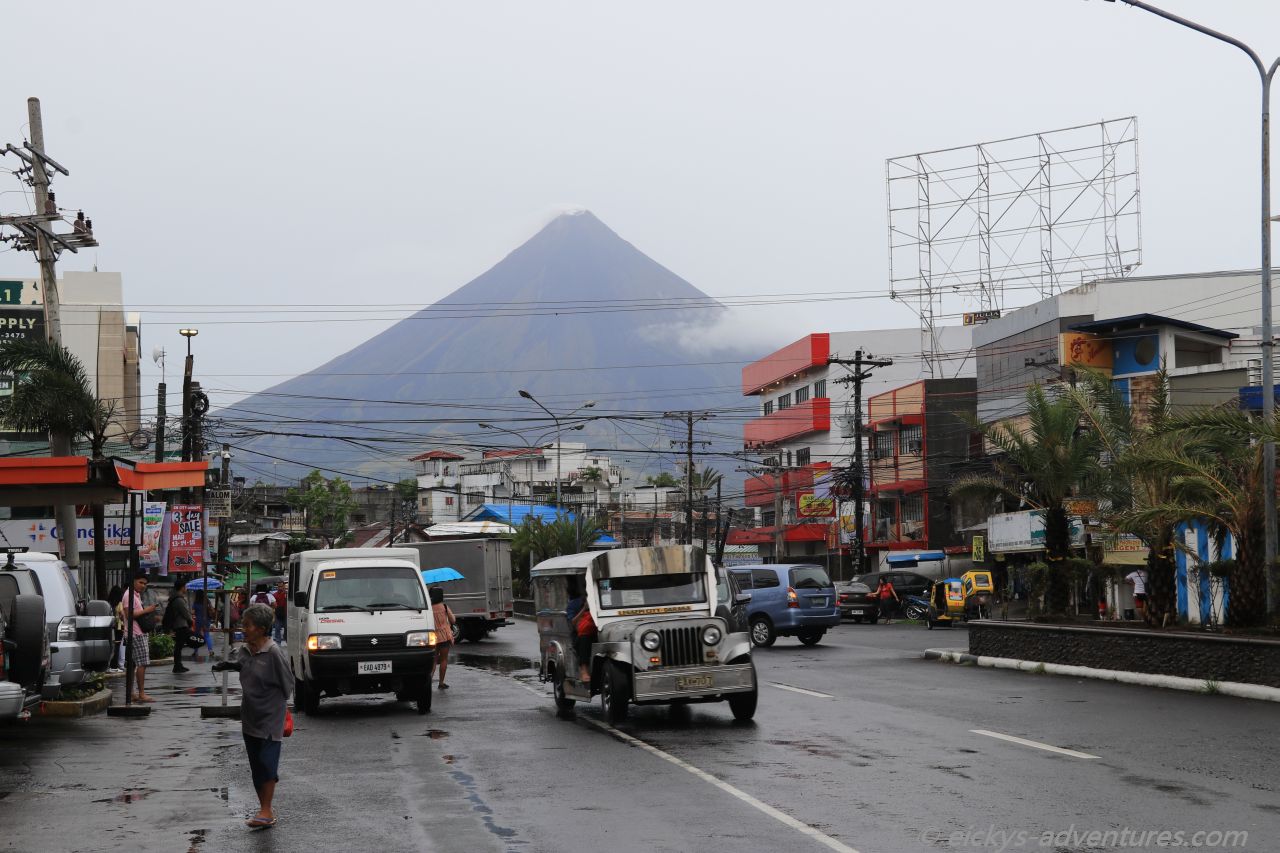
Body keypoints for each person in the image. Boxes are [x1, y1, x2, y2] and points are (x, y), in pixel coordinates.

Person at [213, 603, 294, 830]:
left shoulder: (274, 652)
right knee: (257, 765)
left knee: (268, 764)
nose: (243, 628)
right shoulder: (245, 649)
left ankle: (266, 811)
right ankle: (264, 808)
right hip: (250, 716)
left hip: (270, 717)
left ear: (260, 628)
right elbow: (244, 665)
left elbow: (287, 685)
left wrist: (272, 701)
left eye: (247, 625)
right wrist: (230, 665)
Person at [122, 572, 158, 702]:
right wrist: (147, 610)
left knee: (132, 665)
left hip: (137, 633)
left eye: (145, 584)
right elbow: (129, 615)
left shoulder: (135, 595)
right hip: (136, 634)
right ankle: (141, 693)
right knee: (142, 663)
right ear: (134, 581)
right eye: (141, 582)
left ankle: (132, 693)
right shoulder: (129, 595)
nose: (143, 586)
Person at [565, 581, 595, 683]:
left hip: (597, 631)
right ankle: (584, 670)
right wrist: (584, 609)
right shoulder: (575, 603)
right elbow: (572, 623)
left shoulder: (600, 600)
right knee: (584, 639)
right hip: (581, 634)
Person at [428, 587, 455, 690]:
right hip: (444, 637)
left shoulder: (429, 607)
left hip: (432, 637)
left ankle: (428, 681)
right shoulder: (444, 607)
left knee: (433, 660)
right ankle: (441, 682)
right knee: (443, 660)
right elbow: (453, 620)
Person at [165, 578, 194, 673]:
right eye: (185, 587)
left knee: (179, 646)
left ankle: (178, 665)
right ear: (182, 587)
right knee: (179, 646)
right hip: (180, 625)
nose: (186, 589)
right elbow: (185, 613)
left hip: (178, 625)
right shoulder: (179, 600)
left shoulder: (175, 598)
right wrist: (191, 620)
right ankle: (177, 666)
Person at [106, 585, 125, 673]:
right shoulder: (120, 603)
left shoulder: (108, 603)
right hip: (119, 627)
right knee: (117, 646)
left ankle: (109, 665)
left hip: (110, 626)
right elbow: (122, 614)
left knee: (111, 645)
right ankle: (115, 666)